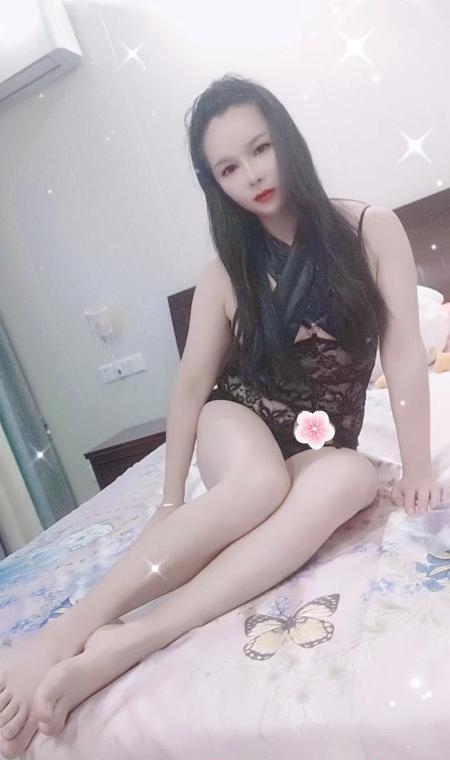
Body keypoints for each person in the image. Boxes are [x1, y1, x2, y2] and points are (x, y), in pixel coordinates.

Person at [0, 73, 443, 759]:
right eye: (229, 168)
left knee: (354, 478)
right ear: (214, 183)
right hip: (238, 420)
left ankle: (132, 640)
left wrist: (416, 469)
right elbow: (190, 386)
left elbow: (406, 354)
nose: (252, 175)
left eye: (260, 149)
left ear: (286, 141)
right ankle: (63, 633)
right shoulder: (226, 272)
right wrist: (169, 500)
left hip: (323, 444)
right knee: (260, 485)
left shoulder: (370, 228)